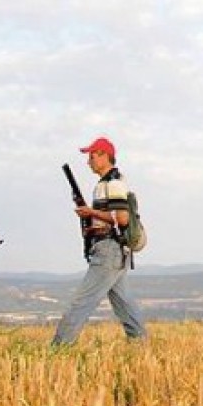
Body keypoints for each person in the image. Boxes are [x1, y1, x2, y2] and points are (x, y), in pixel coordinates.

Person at [52, 136, 148, 346]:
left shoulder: (112, 183)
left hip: (108, 251)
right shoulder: (107, 182)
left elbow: (121, 218)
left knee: (81, 303)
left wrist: (90, 212)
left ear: (105, 156)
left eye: (92, 156)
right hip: (114, 251)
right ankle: (142, 347)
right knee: (124, 304)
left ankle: (57, 350)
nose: (89, 161)